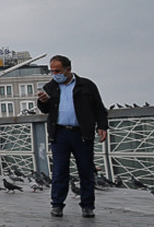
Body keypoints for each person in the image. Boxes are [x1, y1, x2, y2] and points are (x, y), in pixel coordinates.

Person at [36, 54, 108, 218]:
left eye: (58, 71)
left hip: (81, 134)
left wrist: (102, 126)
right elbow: (45, 110)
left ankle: (87, 206)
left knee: (86, 171)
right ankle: (57, 205)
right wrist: (43, 101)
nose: (55, 74)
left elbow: (99, 108)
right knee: (60, 171)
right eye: (52, 71)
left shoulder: (86, 86)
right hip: (59, 134)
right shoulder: (50, 87)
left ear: (68, 69)